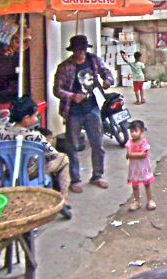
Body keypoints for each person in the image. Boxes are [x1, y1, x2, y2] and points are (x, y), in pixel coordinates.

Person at [53, 35, 114, 193]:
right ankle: (75, 179)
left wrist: (108, 80)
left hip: (92, 107)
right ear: (73, 51)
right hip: (73, 111)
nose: (81, 53)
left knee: (97, 144)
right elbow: (57, 90)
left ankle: (97, 176)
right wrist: (72, 96)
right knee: (72, 146)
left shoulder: (93, 60)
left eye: (83, 50)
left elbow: (106, 72)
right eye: (78, 50)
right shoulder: (64, 67)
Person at [0, 95, 72, 220]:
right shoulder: (35, 136)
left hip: (10, 173)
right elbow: (52, 155)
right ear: (26, 118)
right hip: (31, 174)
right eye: (35, 116)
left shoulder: (2, 133)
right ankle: (63, 199)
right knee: (63, 159)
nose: (36, 119)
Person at [126, 119, 156, 211]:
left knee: (147, 184)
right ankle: (137, 201)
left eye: (135, 131)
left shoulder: (144, 142)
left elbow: (143, 155)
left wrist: (132, 155)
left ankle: (150, 200)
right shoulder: (129, 143)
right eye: (131, 131)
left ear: (142, 131)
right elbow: (132, 154)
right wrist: (138, 154)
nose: (133, 133)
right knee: (135, 185)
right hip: (134, 169)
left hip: (144, 168)